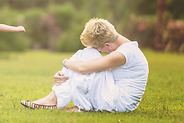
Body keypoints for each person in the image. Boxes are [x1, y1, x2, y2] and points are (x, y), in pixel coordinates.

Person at [21, 18, 149, 112]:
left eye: (99, 48)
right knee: (86, 56)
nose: (99, 51)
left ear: (107, 45)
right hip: (114, 93)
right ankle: (57, 99)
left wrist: (65, 63)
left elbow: (83, 68)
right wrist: (64, 72)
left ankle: (54, 99)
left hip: (119, 102)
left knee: (88, 54)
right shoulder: (124, 47)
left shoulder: (123, 54)